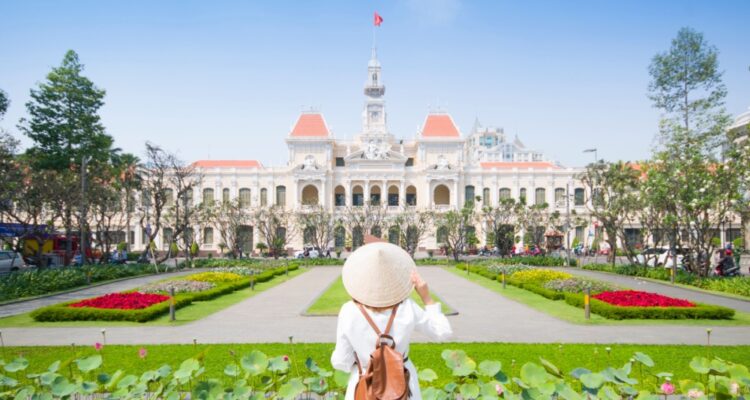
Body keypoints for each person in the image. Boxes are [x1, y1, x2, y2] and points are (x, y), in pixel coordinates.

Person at [331, 242, 452, 400]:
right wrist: (427, 298)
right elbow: (442, 332)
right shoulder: (407, 307)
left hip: (363, 384)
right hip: (402, 385)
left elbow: (341, 361)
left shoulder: (349, 311)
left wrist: (364, 360)